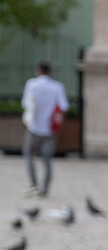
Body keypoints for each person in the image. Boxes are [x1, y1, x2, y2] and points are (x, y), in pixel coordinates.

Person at [21, 61, 69, 197]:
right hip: (49, 129)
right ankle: (45, 189)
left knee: (28, 154)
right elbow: (64, 107)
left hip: (33, 127)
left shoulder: (31, 84)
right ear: (49, 72)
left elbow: (26, 104)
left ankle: (33, 183)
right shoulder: (57, 87)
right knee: (47, 160)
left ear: (38, 71)